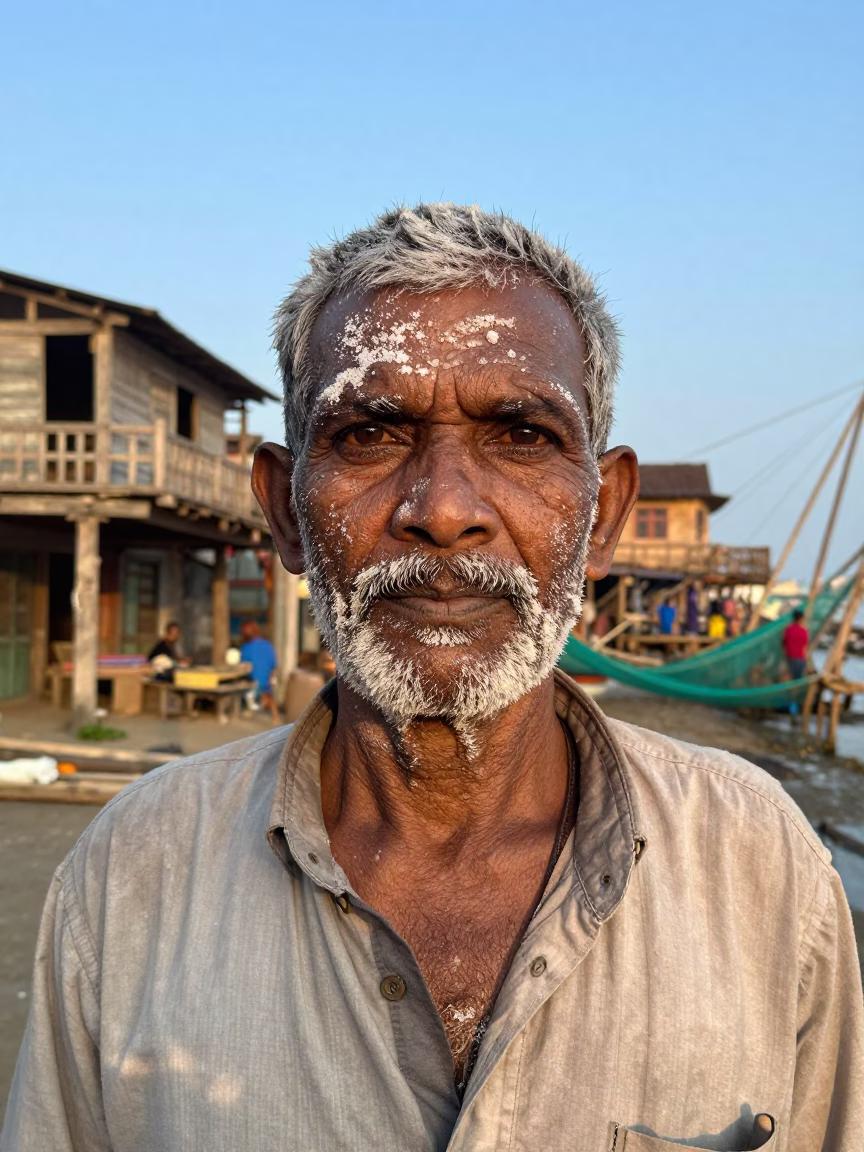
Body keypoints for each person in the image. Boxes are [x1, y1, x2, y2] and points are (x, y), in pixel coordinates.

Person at [4, 204, 861, 1152]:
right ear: (286, 514)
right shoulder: (134, 874)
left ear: (604, 515)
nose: (444, 509)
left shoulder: (762, 867)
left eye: (522, 436)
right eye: (371, 435)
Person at [239, 619, 281, 725]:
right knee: (269, 695)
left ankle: (249, 708)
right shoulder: (267, 645)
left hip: (253, 682)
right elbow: (273, 665)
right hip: (266, 681)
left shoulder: (246, 647)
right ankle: (275, 717)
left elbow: (244, 666)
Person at [783, 607, 809, 680]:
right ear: (801, 619)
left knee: (792, 675)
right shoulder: (804, 631)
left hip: (790, 656)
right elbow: (805, 646)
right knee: (797, 677)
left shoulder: (788, 629)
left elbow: (784, 642)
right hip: (800, 657)